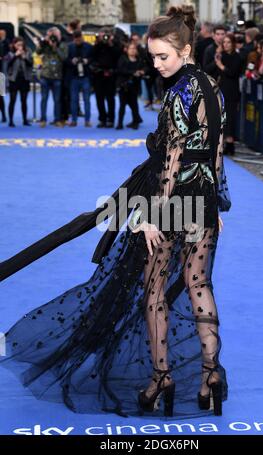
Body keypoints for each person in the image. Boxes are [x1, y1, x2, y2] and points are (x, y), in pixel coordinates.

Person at [0, 5, 231, 419]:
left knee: (153, 292)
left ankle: (161, 379)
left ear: (186, 48)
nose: (157, 65)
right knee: (200, 285)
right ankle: (212, 374)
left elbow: (174, 158)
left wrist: (148, 215)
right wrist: (217, 204)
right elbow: (215, 155)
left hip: (173, 202)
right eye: (153, 57)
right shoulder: (213, 87)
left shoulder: (181, 91)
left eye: (164, 56)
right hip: (203, 201)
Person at [214, 33, 241, 156]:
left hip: (232, 90)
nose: (226, 44)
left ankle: (231, 143)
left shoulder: (237, 57)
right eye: (224, 42)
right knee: (222, 116)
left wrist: (221, 66)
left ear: (233, 43)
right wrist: (218, 55)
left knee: (231, 117)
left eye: (228, 42)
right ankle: (225, 142)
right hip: (222, 88)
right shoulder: (222, 56)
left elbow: (232, 73)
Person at [116, 41, 145, 130]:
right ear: (127, 50)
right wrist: (133, 72)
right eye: (131, 48)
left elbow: (145, 68)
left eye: (134, 49)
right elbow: (120, 70)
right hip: (123, 85)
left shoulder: (139, 60)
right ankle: (119, 123)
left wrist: (142, 71)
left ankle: (135, 122)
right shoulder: (122, 58)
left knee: (134, 104)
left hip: (135, 86)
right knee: (122, 105)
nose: (132, 50)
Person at [67, 31, 93, 127]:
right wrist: (71, 61)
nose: (78, 41)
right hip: (74, 77)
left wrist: (87, 60)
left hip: (86, 76)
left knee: (87, 100)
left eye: (79, 39)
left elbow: (93, 58)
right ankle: (74, 120)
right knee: (74, 100)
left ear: (82, 37)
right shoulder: (69, 47)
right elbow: (66, 60)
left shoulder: (89, 46)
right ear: (73, 39)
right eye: (76, 39)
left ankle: (87, 120)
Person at [7, 37, 33, 127]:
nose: (20, 47)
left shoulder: (28, 52)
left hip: (24, 79)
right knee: (12, 100)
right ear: (14, 45)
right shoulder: (10, 53)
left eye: (21, 45)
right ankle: (10, 120)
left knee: (24, 100)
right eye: (18, 45)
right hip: (13, 79)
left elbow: (31, 64)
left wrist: (24, 57)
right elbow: (7, 64)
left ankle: (25, 120)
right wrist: (15, 56)